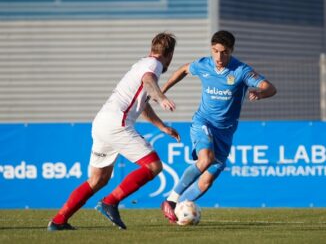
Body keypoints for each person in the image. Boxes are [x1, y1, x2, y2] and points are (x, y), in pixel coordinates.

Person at [48, 32, 180, 231]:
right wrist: (161, 98)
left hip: (102, 123)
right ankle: (110, 202)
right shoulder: (154, 65)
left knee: (97, 179)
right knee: (153, 166)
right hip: (116, 123)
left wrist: (161, 126)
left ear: (151, 49)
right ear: (169, 54)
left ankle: (58, 221)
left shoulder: (142, 63)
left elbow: (142, 104)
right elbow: (149, 82)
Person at [161, 30, 277, 223]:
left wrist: (260, 93)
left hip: (226, 131)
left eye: (223, 52)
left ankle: (180, 209)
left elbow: (271, 88)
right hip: (203, 122)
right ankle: (171, 201)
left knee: (206, 182)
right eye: (215, 51)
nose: (218, 57)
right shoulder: (204, 65)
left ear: (231, 51)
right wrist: (162, 92)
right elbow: (183, 69)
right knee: (205, 158)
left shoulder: (241, 71)